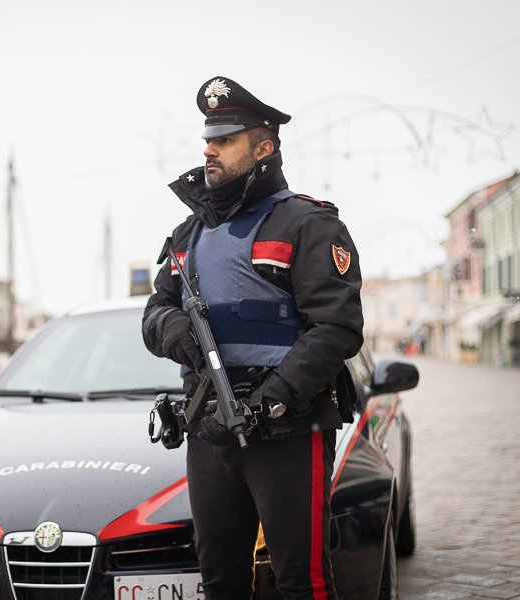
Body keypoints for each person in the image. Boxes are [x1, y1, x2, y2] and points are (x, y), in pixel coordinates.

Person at [142, 77, 364, 600]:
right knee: (219, 580)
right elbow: (155, 311)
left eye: (225, 139)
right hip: (208, 428)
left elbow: (337, 328)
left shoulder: (307, 224)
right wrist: (175, 331)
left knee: (299, 582)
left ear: (262, 148)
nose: (208, 150)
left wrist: (270, 401)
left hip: (286, 430)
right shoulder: (188, 234)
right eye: (208, 139)